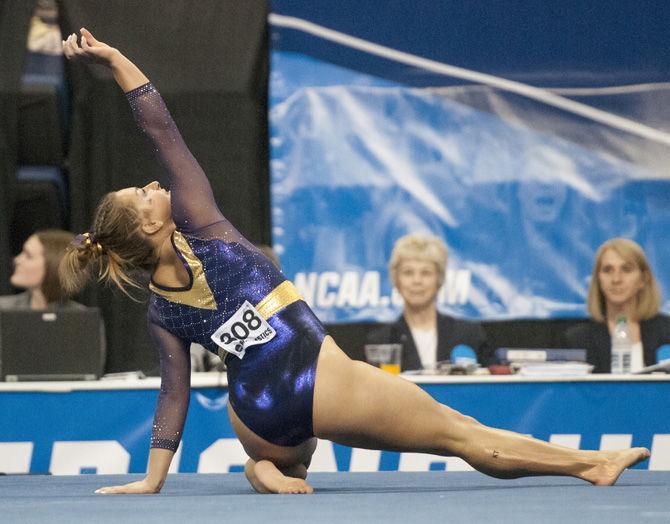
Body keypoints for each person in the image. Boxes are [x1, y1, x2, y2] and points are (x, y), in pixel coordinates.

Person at [60, 29, 648, 495]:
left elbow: (174, 395)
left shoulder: (161, 310)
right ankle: (591, 465)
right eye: (142, 195)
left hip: (256, 418)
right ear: (151, 225)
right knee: (459, 434)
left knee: (292, 454)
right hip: (316, 376)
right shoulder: (206, 227)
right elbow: (160, 127)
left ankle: (270, 468)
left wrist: (153, 479)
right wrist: (114, 58)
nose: (151, 185)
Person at [366, 234, 492, 371]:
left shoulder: (468, 334)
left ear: (439, 279)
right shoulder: (381, 340)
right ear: (396, 279)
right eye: (408, 272)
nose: (417, 280)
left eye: (426, 273)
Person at [565, 238, 670, 373]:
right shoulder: (579, 339)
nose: (616, 279)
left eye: (626, 269)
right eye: (608, 270)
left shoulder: (666, 331)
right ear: (598, 279)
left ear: (643, 279)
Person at [0, 229, 85, 310]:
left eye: (28, 256)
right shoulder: (3, 310)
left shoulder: (82, 319)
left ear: (53, 266)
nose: (16, 260)